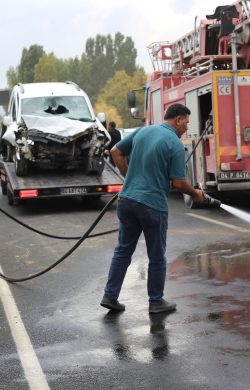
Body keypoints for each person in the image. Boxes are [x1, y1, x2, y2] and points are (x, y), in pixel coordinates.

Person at [100, 104, 204, 314]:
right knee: (156, 254)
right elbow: (178, 182)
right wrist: (195, 193)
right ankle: (156, 301)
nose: (186, 127)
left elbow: (115, 151)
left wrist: (129, 179)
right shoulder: (174, 143)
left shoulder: (143, 130)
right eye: (186, 122)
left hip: (127, 200)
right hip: (152, 205)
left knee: (123, 251)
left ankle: (110, 296)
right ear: (177, 120)